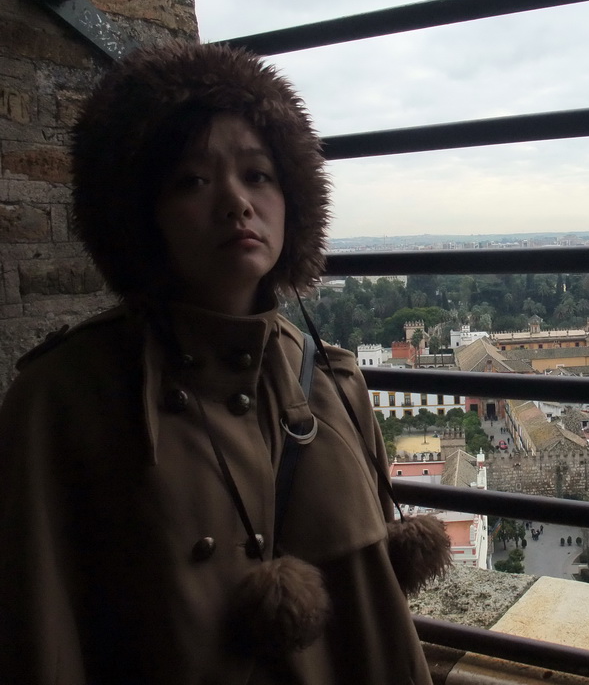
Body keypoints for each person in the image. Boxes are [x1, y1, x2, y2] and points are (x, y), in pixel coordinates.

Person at [0, 42, 449, 684]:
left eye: (258, 174)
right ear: (138, 215)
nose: (236, 202)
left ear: (291, 199)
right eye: (193, 180)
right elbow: (39, 636)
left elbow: (374, 621)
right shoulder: (65, 400)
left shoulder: (331, 378)